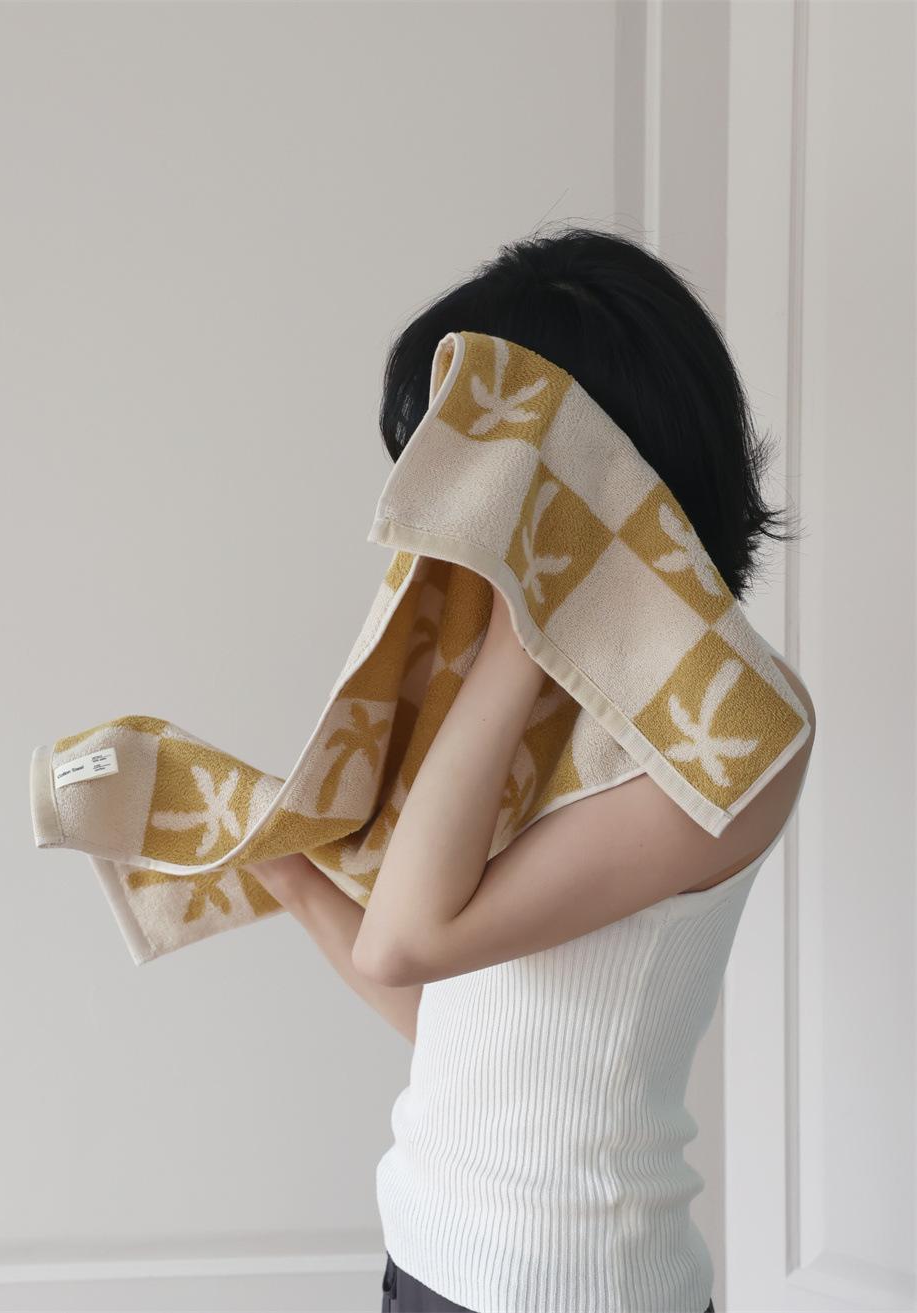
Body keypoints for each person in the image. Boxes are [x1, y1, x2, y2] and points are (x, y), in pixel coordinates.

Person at [249, 224, 816, 1313]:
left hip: (567, 1287)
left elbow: (408, 936)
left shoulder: (741, 724)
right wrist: (278, 867)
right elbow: (466, 1029)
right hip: (430, 1258)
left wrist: (526, 617)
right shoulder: (551, 703)